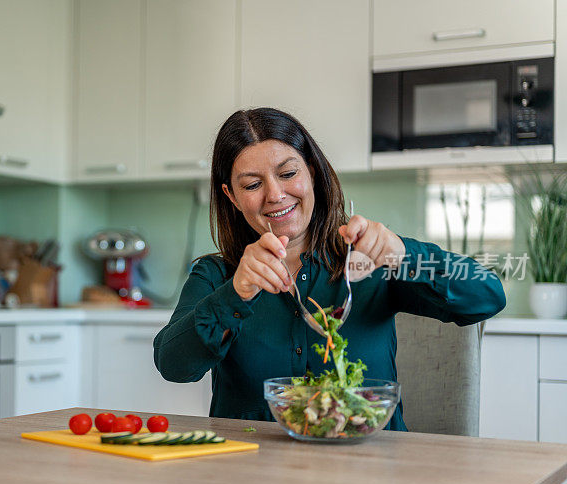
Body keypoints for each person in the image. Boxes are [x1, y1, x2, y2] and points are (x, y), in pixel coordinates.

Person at [153, 107, 506, 430]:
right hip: (254, 475)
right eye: (253, 184)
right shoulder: (218, 275)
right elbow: (173, 366)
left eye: (288, 173)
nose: (275, 194)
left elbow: (487, 295)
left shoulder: (370, 259)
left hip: (370, 470)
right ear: (232, 196)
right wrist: (236, 293)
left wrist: (404, 254)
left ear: (313, 175)